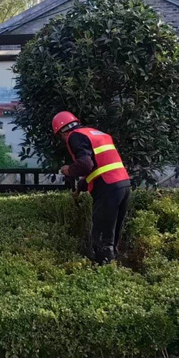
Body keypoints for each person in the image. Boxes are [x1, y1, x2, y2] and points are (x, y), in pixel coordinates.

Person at [53, 111, 131, 264]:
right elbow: (98, 167)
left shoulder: (74, 136)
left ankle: (104, 271)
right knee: (112, 235)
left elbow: (85, 165)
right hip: (123, 185)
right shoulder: (95, 133)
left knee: (102, 238)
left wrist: (68, 170)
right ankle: (113, 268)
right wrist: (81, 187)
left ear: (62, 132)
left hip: (108, 187)